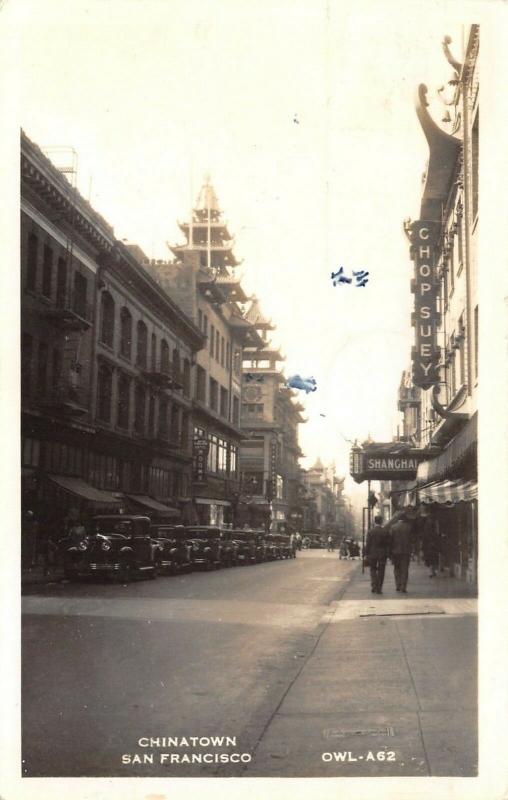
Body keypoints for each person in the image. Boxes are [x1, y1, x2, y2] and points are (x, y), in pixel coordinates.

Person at [365, 515, 391, 594]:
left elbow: (368, 544)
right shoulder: (385, 531)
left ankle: (374, 586)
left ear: (374, 521)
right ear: (381, 521)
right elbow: (388, 543)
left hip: (372, 553)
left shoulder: (370, 531)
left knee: (372, 569)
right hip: (382, 553)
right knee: (381, 570)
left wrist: (366, 554)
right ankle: (379, 588)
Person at [390, 512, 413, 593]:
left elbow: (391, 541)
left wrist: (390, 552)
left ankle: (398, 585)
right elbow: (411, 540)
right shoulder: (409, 527)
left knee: (397, 568)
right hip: (406, 552)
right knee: (405, 569)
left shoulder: (393, 527)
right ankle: (403, 587)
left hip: (395, 552)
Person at [422, 511, 440, 577]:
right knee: (433, 558)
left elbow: (425, 536)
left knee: (431, 558)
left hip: (429, 544)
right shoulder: (431, 525)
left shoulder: (427, 525)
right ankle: (433, 571)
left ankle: (432, 571)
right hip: (432, 544)